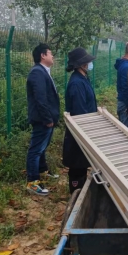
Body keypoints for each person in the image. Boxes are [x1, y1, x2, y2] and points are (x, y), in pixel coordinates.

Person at [25, 43, 60, 196]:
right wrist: (47, 118)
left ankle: (43, 171)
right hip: (42, 119)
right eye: (50, 53)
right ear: (43, 55)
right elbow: (40, 99)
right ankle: (32, 182)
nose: (52, 56)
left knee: (42, 147)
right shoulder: (37, 73)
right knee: (36, 150)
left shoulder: (43, 71)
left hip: (46, 118)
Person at [63, 47, 97, 193]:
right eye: (88, 62)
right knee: (77, 164)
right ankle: (76, 195)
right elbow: (79, 111)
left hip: (85, 127)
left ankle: (80, 191)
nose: (90, 64)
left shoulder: (83, 79)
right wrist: (87, 129)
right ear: (82, 64)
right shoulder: (77, 83)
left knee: (82, 163)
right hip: (80, 129)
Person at [114, 41, 128, 128]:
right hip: (126, 105)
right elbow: (126, 88)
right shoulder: (126, 67)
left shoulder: (123, 64)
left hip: (124, 104)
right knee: (127, 132)